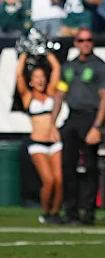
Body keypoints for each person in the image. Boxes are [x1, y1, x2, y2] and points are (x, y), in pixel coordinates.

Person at [54, 30, 105, 226]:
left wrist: (97, 126)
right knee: (67, 166)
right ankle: (70, 211)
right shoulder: (68, 67)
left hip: (90, 116)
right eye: (81, 40)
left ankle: (88, 212)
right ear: (76, 43)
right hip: (73, 117)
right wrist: (52, 123)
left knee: (90, 166)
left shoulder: (101, 67)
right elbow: (60, 95)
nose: (85, 43)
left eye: (89, 40)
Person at [16, 52, 62, 224]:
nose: (40, 80)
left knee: (59, 180)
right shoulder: (28, 97)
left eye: (42, 76)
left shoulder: (50, 93)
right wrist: (24, 55)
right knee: (48, 180)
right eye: (36, 77)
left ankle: (56, 213)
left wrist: (46, 52)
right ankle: (46, 212)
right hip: (38, 143)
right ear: (31, 81)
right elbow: (19, 76)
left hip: (54, 142)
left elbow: (56, 68)